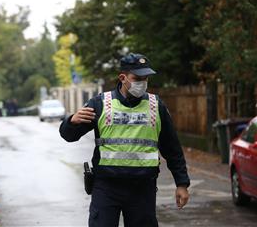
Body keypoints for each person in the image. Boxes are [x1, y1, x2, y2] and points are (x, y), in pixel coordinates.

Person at [59, 53, 190, 227]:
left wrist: (182, 184)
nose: (142, 83)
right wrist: (71, 121)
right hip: (106, 188)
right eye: (137, 78)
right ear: (123, 78)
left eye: (146, 79)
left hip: (142, 189)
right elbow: (69, 136)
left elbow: (172, 148)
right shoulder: (100, 104)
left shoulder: (156, 106)